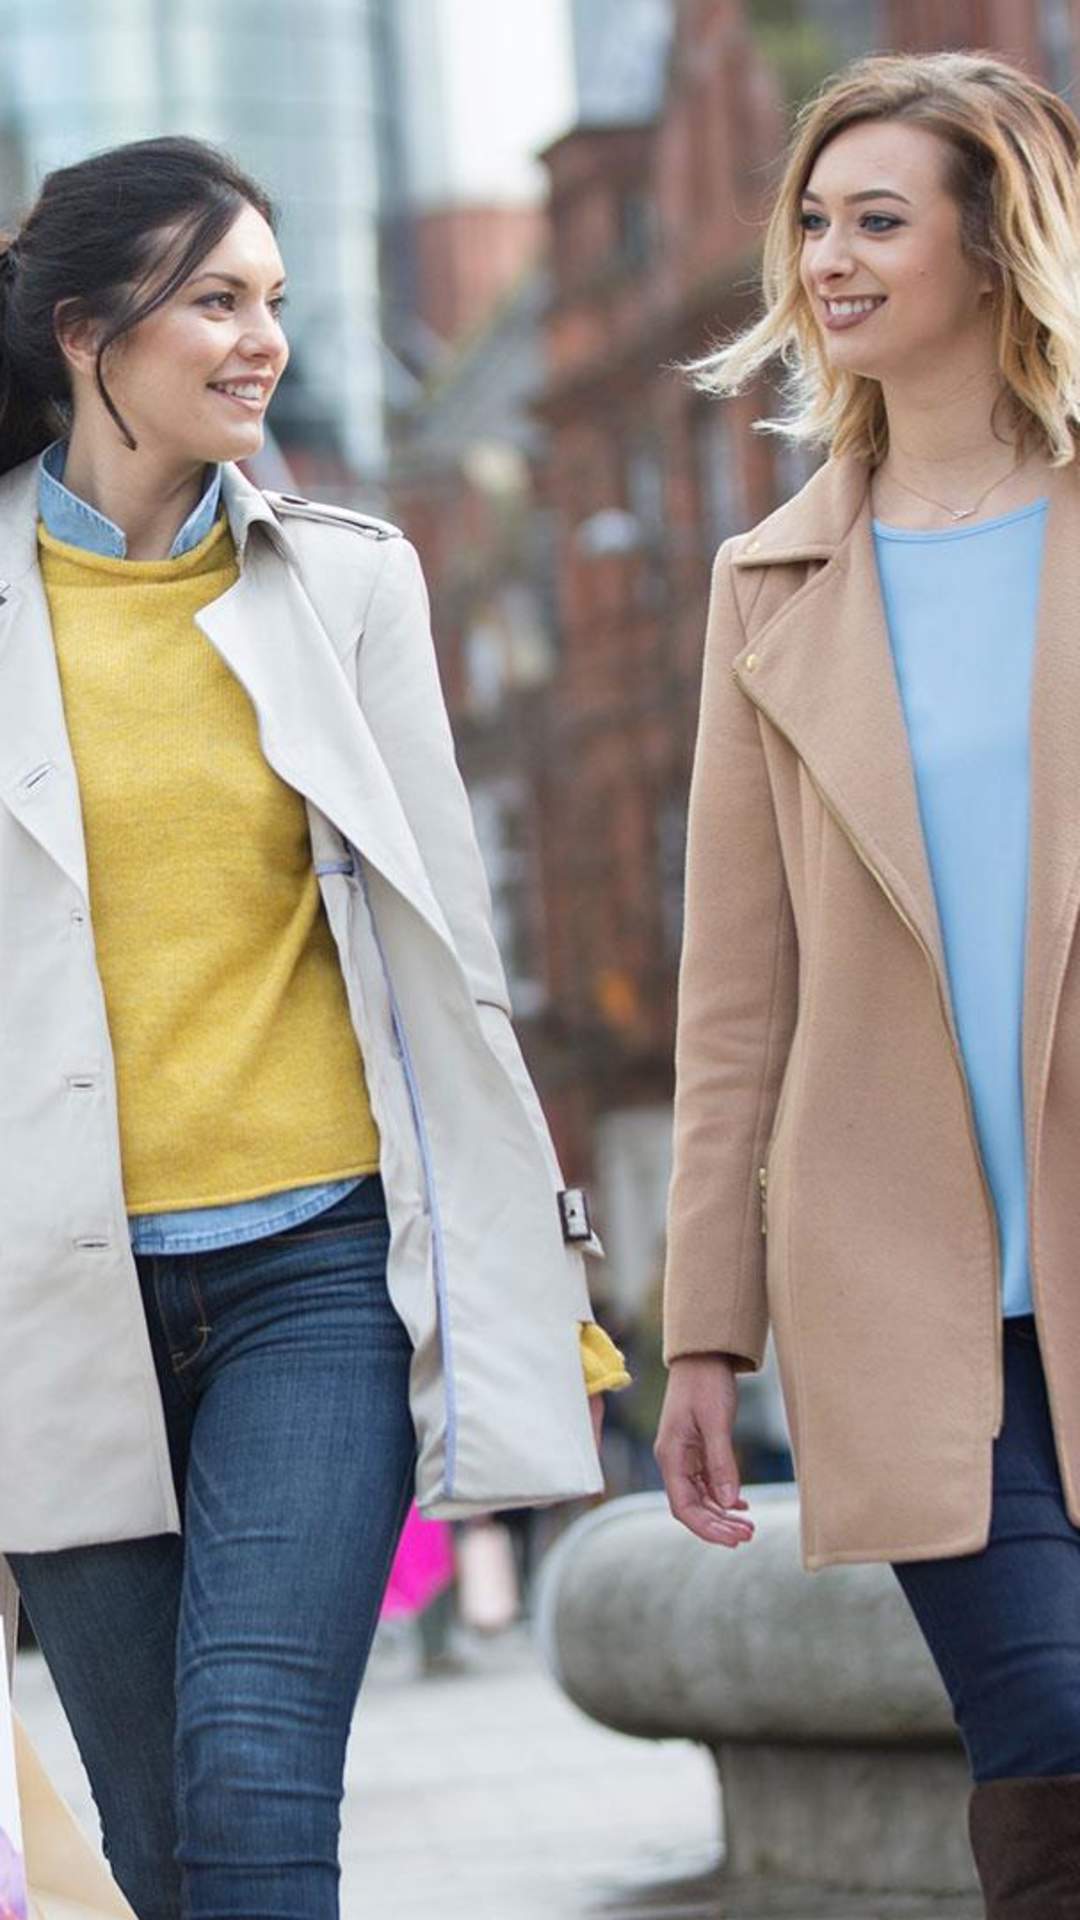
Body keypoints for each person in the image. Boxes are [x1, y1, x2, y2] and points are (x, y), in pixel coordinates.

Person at [0, 135, 629, 1920]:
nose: (262, 339)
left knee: (257, 1768)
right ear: (84, 332)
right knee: (160, 1837)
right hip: (53, 1293)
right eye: (216, 300)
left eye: (273, 300)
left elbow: (450, 951)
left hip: (313, 1269)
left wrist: (523, 1267)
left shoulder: (351, 580)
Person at [655, 48, 1080, 1916]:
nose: (827, 259)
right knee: (1051, 1749)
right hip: (910, 1297)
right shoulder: (774, 582)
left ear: (997, 250)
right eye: (812, 223)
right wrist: (701, 1329)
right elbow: (731, 1003)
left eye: (877, 221)